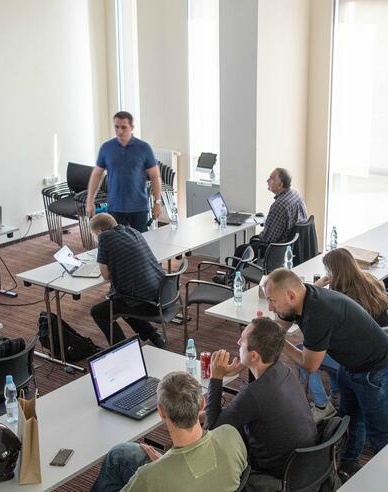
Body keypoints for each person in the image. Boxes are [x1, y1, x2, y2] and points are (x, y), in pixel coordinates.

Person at [265, 269, 388, 476]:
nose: (270, 307)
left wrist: (279, 341)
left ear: (291, 296)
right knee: (351, 419)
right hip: (351, 363)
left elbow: (309, 365)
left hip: (376, 370)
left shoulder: (317, 315)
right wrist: (269, 330)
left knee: (381, 435)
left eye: (272, 301)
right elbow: (282, 322)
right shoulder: (304, 294)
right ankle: (348, 465)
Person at [91, 372, 248, 492]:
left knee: (117, 457)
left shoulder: (148, 478)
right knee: (122, 453)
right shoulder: (230, 435)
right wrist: (165, 462)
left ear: (161, 412)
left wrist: (162, 468)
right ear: (202, 405)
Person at [205, 317, 316, 485]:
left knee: (213, 447)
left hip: (276, 475)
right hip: (304, 465)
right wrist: (246, 363)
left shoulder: (253, 394)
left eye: (242, 341)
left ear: (255, 355)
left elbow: (213, 429)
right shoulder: (283, 370)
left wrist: (216, 377)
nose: (237, 342)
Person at [301, 248, 388, 420]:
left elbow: (307, 304)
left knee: (305, 353)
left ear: (334, 272)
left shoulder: (342, 299)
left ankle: (322, 405)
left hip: (359, 356)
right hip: (381, 346)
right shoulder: (371, 280)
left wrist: (317, 286)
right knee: (323, 348)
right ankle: (336, 392)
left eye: (327, 270)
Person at [89, 213, 167, 348]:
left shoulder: (105, 238)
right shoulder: (133, 231)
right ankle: (154, 336)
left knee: (98, 312)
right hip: (162, 296)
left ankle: (122, 349)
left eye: (94, 235)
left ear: (100, 231)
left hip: (146, 304)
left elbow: (105, 274)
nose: (96, 238)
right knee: (122, 300)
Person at [86, 111, 162, 232]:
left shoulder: (144, 148)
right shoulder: (107, 148)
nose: (120, 131)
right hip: (115, 207)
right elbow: (97, 174)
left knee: (141, 242)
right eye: (116, 127)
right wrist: (90, 200)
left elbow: (155, 176)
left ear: (132, 127)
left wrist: (157, 202)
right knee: (115, 243)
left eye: (124, 127)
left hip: (138, 207)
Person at [234, 168, 308, 259]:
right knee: (253, 241)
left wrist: (258, 237)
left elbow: (267, 239)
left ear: (280, 185)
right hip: (293, 245)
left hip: (276, 248)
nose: (267, 181)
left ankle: (236, 273)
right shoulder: (295, 194)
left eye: (271, 179)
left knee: (241, 250)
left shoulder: (279, 205)